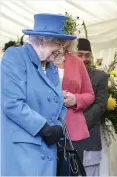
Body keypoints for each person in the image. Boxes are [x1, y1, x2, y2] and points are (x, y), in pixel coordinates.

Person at [1, 13, 77, 176]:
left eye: (64, 46)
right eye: (59, 44)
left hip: (47, 152)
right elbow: (12, 103)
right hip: (22, 154)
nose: (61, 51)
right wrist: (44, 128)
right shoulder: (16, 57)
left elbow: (59, 103)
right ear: (42, 40)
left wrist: (58, 125)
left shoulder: (51, 68)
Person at [55, 37, 95, 163]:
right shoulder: (40, 60)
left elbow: (90, 95)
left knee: (72, 171)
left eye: (66, 38)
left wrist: (75, 99)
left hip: (73, 129)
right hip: (45, 127)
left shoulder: (77, 62)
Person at [76, 38, 109, 176]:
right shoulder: (64, 75)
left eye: (87, 55)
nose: (84, 59)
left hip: (90, 136)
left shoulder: (100, 77)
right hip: (68, 139)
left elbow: (101, 104)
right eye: (80, 55)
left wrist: (79, 124)